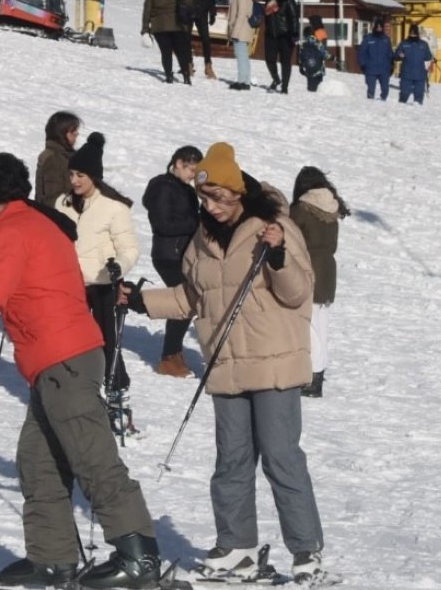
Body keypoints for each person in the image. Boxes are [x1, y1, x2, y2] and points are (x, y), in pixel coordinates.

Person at [0, 153, 162, 590]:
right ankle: (51, 559)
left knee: (92, 457)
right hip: (58, 359)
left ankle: (137, 557)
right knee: (37, 460)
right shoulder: (39, 223)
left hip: (63, 358)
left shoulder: (13, 231)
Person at [120, 143, 325, 583]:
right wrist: (140, 300)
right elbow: (193, 298)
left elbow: (297, 293)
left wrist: (278, 256)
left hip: (273, 363)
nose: (211, 207)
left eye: (218, 197)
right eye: (204, 198)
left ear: (237, 191)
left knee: (281, 457)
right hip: (225, 364)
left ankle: (306, 550)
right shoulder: (202, 239)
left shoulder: (274, 226)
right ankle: (237, 547)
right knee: (231, 460)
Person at [55, 133, 140, 436]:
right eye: (72, 174)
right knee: (72, 341)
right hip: (71, 285)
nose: (74, 180)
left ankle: (118, 399)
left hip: (104, 283)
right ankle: (77, 396)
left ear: (94, 176)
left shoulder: (114, 208)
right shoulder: (63, 203)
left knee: (107, 342)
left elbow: (129, 248)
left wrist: (119, 266)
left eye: (81, 175)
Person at [141, 146, 202, 378]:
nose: (192, 176)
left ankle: (173, 354)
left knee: (186, 302)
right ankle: (169, 357)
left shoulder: (185, 189)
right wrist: (194, 223)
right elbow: (163, 224)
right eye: (190, 169)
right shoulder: (163, 187)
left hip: (181, 253)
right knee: (182, 301)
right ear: (178, 163)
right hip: (168, 255)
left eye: (196, 172)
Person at [289, 167, 348, 399]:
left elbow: (290, 238)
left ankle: (312, 377)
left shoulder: (300, 209)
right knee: (320, 325)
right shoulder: (332, 208)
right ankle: (318, 374)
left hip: (307, 269)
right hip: (328, 271)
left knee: (309, 325)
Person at [143, 0, 194, 85]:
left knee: (166, 52)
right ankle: (186, 76)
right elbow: (190, 3)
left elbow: (147, 11)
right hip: (177, 25)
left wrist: (145, 29)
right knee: (181, 52)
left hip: (159, 26)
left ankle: (169, 76)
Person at [177, 0, 222, 80]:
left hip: (201, 12)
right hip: (187, 12)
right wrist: (178, 11)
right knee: (186, 39)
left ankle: (208, 66)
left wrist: (212, 12)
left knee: (206, 39)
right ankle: (189, 64)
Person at [260, 0, 300, 93]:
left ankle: (284, 87)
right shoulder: (268, 1)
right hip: (271, 36)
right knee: (269, 59)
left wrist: (294, 34)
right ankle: (276, 79)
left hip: (285, 36)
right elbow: (266, 17)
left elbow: (294, 19)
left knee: (285, 62)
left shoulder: (289, 1)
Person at [35, 111, 80, 209]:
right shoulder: (52, 158)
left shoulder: (67, 156)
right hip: (57, 216)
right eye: (73, 131)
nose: (77, 133)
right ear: (61, 133)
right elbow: (52, 199)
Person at [225, 0, 256, 91]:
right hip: (243, 30)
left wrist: (235, 32)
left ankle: (242, 81)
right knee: (243, 56)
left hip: (240, 31)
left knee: (241, 57)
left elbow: (242, 14)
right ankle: (245, 81)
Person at [394, 25, 433, 104]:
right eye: (411, 33)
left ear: (417, 34)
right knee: (404, 93)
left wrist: (429, 61)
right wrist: (399, 55)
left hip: (420, 74)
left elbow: (428, 56)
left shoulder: (423, 44)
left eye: (414, 33)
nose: (412, 35)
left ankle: (417, 108)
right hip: (406, 74)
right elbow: (396, 55)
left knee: (418, 96)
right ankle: (401, 107)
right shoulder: (404, 43)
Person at [357, 19, 393, 101]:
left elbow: (390, 53)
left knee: (385, 89)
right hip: (371, 69)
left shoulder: (386, 39)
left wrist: (391, 65)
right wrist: (363, 64)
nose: (379, 28)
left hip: (384, 69)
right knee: (371, 90)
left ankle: (382, 101)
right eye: (377, 27)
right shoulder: (368, 39)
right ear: (374, 28)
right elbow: (362, 52)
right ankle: (371, 104)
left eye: (380, 27)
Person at [298, 26, 329, 92]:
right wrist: (333, 58)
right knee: (318, 90)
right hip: (319, 71)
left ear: (305, 35)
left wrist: (301, 67)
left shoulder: (303, 45)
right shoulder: (319, 43)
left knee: (311, 90)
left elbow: (301, 57)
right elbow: (325, 55)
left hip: (309, 71)